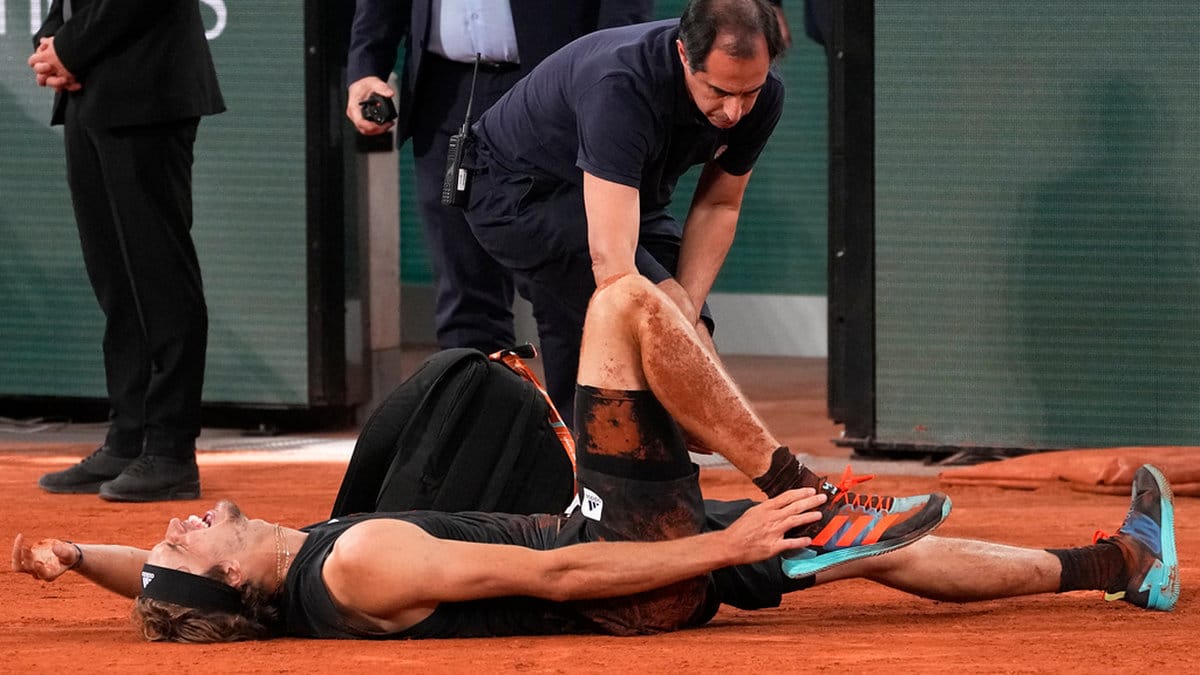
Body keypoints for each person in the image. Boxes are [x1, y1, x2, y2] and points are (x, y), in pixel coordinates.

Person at [12, 275, 1180, 642]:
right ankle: (796, 488)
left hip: (629, 558)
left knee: (859, 554)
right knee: (622, 303)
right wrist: (722, 539)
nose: (174, 524)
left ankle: (1122, 564)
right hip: (621, 564)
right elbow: (559, 574)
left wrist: (76, 555)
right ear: (231, 576)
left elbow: (162, 583)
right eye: (180, 542)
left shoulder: (284, 573)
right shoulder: (358, 562)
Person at [460, 0, 786, 425]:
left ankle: (661, 457)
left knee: (689, 328)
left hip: (629, 194)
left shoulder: (766, 95)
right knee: (644, 325)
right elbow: (613, 265)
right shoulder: (620, 84)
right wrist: (671, 328)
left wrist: (688, 315)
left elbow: (719, 204)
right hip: (520, 191)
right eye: (720, 92)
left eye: (749, 93)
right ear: (683, 54)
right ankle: (596, 459)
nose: (734, 112)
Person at [345, 1, 652, 354]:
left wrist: (610, 69)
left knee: (564, 293)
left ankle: (581, 394)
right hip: (444, 96)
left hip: (553, 85)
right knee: (464, 297)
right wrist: (367, 65)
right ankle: (480, 391)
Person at [28, 0, 225, 502]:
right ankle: (127, 439)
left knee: (160, 274)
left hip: (148, 89)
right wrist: (51, 42)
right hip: (87, 90)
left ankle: (171, 451)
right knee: (114, 279)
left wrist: (69, 48)